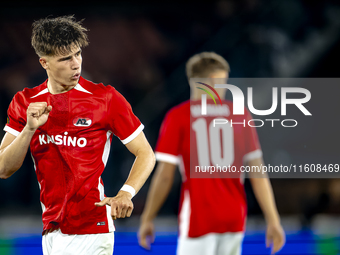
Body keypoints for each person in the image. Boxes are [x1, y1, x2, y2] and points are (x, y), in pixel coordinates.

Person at [0, 15, 155, 255]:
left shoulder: (106, 99)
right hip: (51, 230)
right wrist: (29, 129)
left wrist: (126, 192)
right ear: (44, 63)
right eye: (65, 58)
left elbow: (145, 153)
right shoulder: (24, 102)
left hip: (93, 229)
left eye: (78, 54)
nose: (76, 64)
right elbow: (3, 169)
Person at [138, 52, 285, 255]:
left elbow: (165, 176)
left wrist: (148, 217)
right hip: (234, 217)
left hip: (199, 218)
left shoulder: (178, 117)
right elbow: (258, 175)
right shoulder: (240, 115)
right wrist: (273, 220)